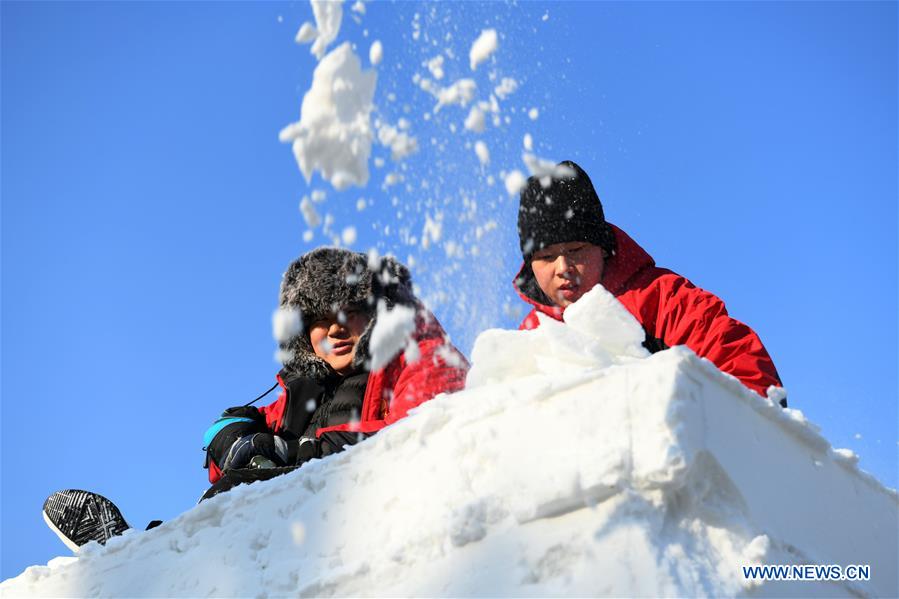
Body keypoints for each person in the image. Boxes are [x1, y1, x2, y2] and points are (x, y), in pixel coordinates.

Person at [43, 248, 469, 549]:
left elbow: (425, 423)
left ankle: (146, 556)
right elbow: (235, 429)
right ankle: (145, 553)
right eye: (320, 321)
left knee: (241, 487)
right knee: (239, 479)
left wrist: (303, 452)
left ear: (374, 312)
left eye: (348, 313)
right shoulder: (307, 388)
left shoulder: (414, 354)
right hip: (290, 526)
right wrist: (235, 436)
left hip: (363, 517)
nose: (335, 330)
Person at [514, 160, 784, 402]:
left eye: (575, 250)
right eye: (547, 256)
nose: (563, 267)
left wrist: (754, 417)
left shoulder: (660, 300)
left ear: (602, 247)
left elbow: (741, 368)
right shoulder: (533, 334)